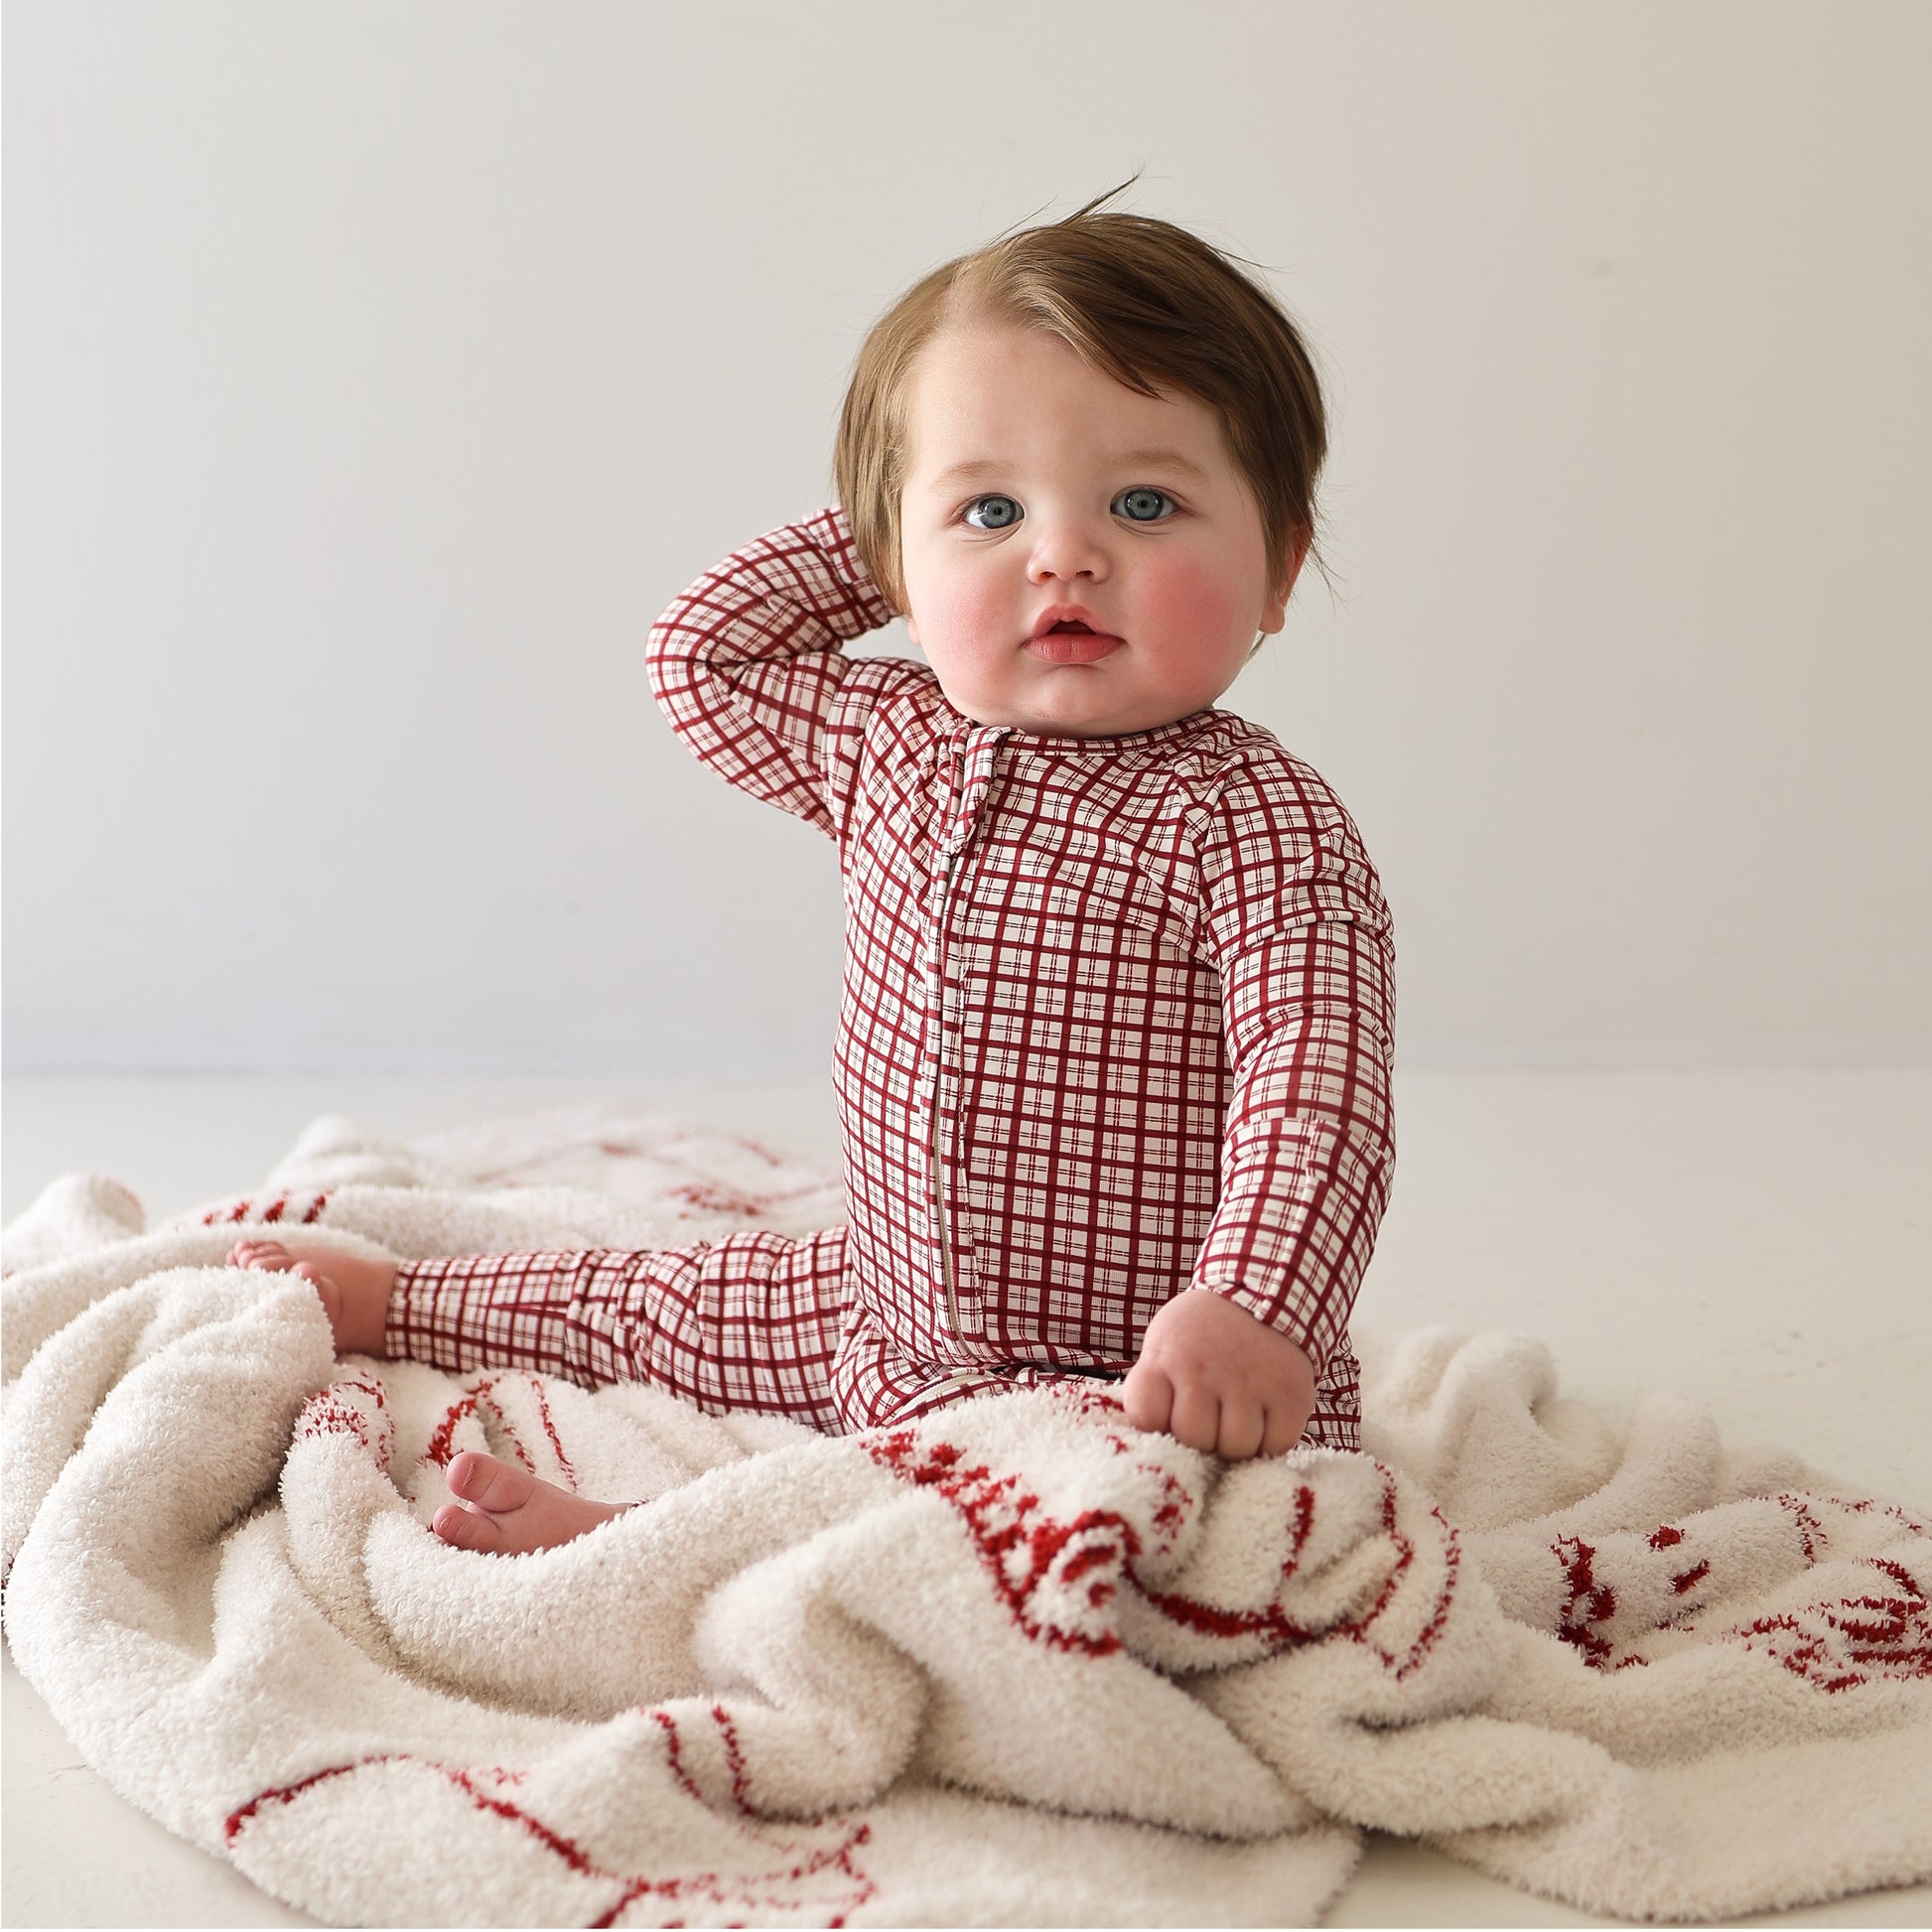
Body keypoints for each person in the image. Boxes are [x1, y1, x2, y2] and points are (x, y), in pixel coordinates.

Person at [230, 181, 1397, 1556]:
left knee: (1069, 1534)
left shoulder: (1254, 822)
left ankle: (655, 1539)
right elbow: (700, 654)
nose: (1065, 553)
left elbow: (1314, 1094)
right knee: (661, 1293)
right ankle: (396, 1302)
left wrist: (1251, 1305)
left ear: (1277, 569)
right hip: (882, 1305)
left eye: (1143, 501)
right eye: (993, 511)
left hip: (1143, 1366)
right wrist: (906, 528)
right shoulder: (884, 735)